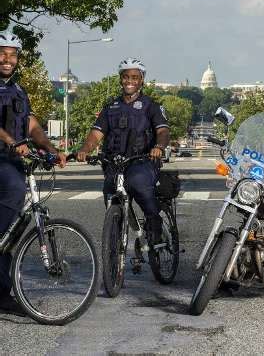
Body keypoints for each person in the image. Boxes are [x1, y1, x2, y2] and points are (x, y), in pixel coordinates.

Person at [0, 31, 66, 316]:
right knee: (14, 191)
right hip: (3, 160)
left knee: (10, 232)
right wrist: (11, 142)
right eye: (2, 53)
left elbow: (31, 125)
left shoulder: (18, 90)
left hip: (12, 161)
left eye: (13, 54)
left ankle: (2, 294)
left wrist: (51, 150)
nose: (7, 59)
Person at [77, 57, 170, 244]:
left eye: (135, 77)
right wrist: (85, 149)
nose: (130, 81)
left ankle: (154, 223)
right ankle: (115, 236)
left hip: (142, 161)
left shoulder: (151, 106)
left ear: (141, 80)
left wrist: (159, 147)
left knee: (138, 183)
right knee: (109, 190)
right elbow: (96, 134)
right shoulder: (111, 107)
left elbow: (163, 131)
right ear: (121, 79)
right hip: (115, 162)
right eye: (126, 77)